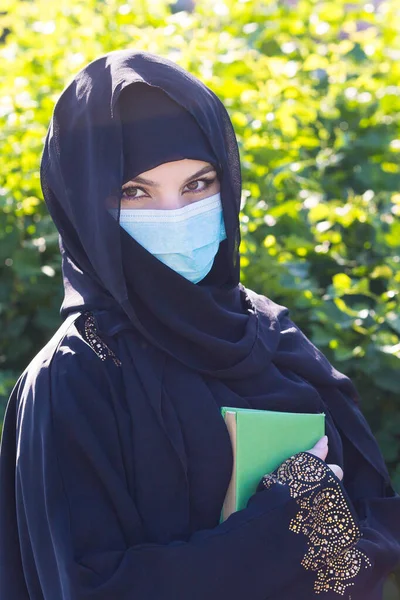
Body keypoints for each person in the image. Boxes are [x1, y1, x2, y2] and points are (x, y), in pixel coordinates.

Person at [0, 49, 399, 600]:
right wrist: (282, 528)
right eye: (134, 191)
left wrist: (325, 524)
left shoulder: (266, 332)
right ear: (85, 205)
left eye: (199, 184)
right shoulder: (76, 378)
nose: (174, 215)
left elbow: (371, 515)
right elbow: (87, 587)